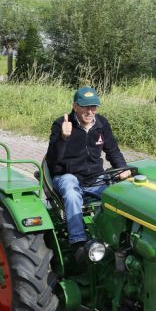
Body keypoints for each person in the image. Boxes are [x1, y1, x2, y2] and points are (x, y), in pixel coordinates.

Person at [45, 86, 131, 258]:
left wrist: (123, 167)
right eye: (85, 107)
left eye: (93, 107)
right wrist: (63, 138)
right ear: (75, 106)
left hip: (95, 177)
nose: (90, 111)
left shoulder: (101, 124)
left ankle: (119, 239)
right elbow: (52, 159)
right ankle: (78, 243)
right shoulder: (61, 124)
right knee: (71, 193)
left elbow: (113, 150)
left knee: (120, 194)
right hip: (67, 176)